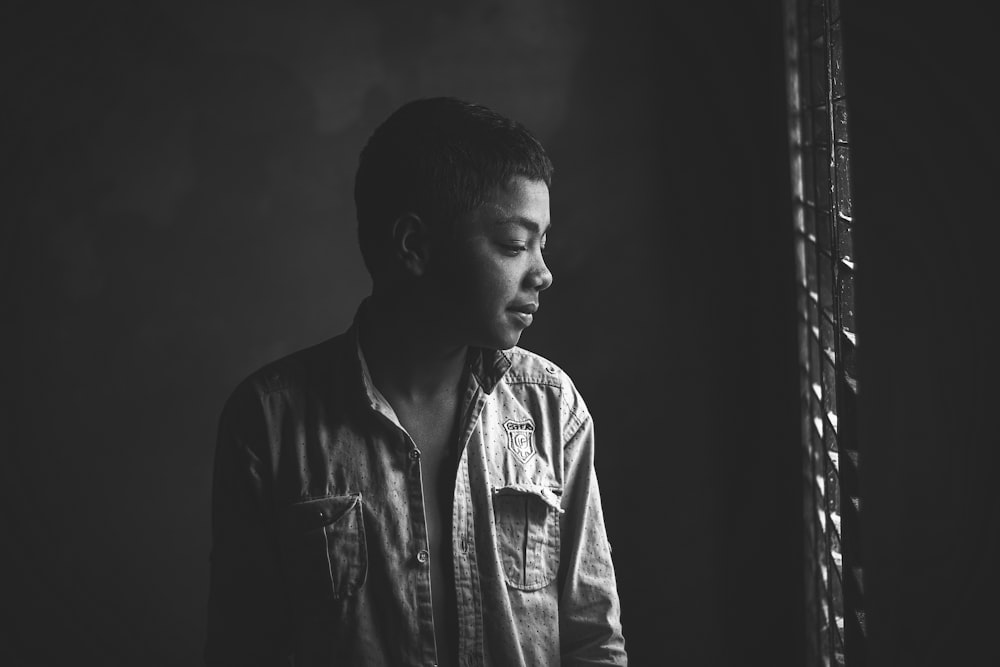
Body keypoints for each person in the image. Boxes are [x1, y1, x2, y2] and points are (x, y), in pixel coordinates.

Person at [205, 97, 627, 666]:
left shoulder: (552, 410)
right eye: (513, 245)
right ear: (414, 246)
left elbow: (592, 640)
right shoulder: (271, 422)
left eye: (542, 244)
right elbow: (244, 648)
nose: (543, 273)